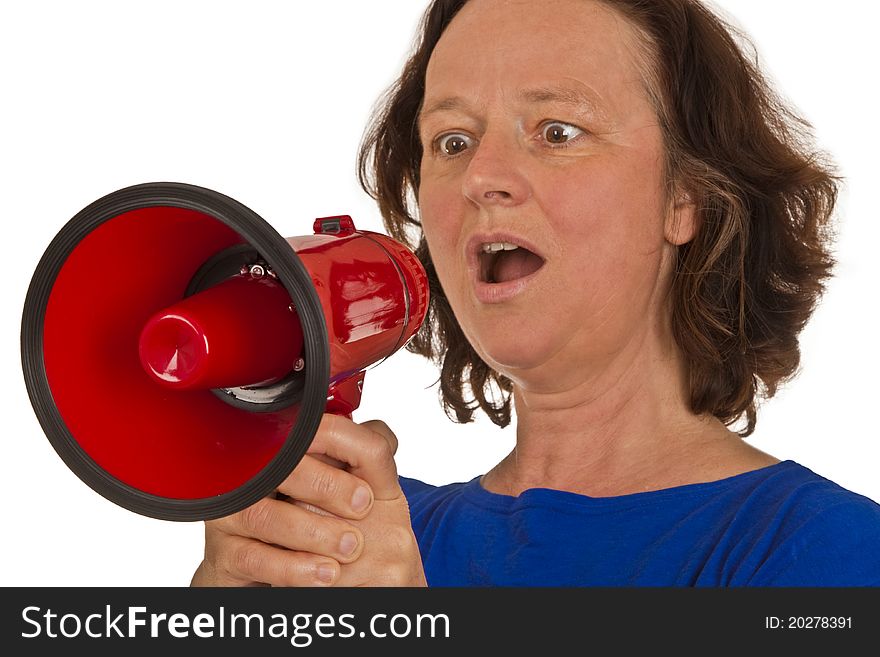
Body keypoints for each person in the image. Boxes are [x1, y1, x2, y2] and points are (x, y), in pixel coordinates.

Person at [191, 0, 880, 587]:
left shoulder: (823, 549)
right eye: (453, 141)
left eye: (558, 132)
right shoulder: (370, 534)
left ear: (684, 197)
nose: (481, 176)